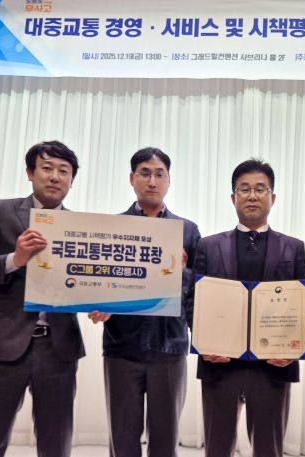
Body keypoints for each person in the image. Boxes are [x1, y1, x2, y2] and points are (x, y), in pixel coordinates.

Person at [0, 140, 85, 457]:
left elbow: (88, 280)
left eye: (64, 171)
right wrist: (13, 260)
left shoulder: (82, 228)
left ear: (72, 180)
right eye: (46, 168)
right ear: (30, 173)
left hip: (59, 348)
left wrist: (102, 303)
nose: (55, 176)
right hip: (3, 346)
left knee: (56, 444)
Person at [185, 159, 305, 457]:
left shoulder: (293, 247)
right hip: (219, 362)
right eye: (244, 189)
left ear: (272, 197)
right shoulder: (209, 246)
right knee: (217, 447)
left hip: (273, 364)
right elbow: (193, 299)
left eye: (260, 189)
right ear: (233, 197)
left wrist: (292, 349)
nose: (252, 195)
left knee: (269, 448)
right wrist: (204, 341)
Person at [89, 147, 201, 457]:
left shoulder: (188, 230)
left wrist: (181, 272)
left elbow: (199, 289)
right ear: (132, 178)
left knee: (165, 437)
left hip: (170, 346)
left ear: (169, 180)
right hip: (122, 346)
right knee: (122, 436)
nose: (152, 181)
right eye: (145, 173)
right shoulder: (112, 228)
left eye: (159, 174)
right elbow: (99, 280)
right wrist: (97, 305)